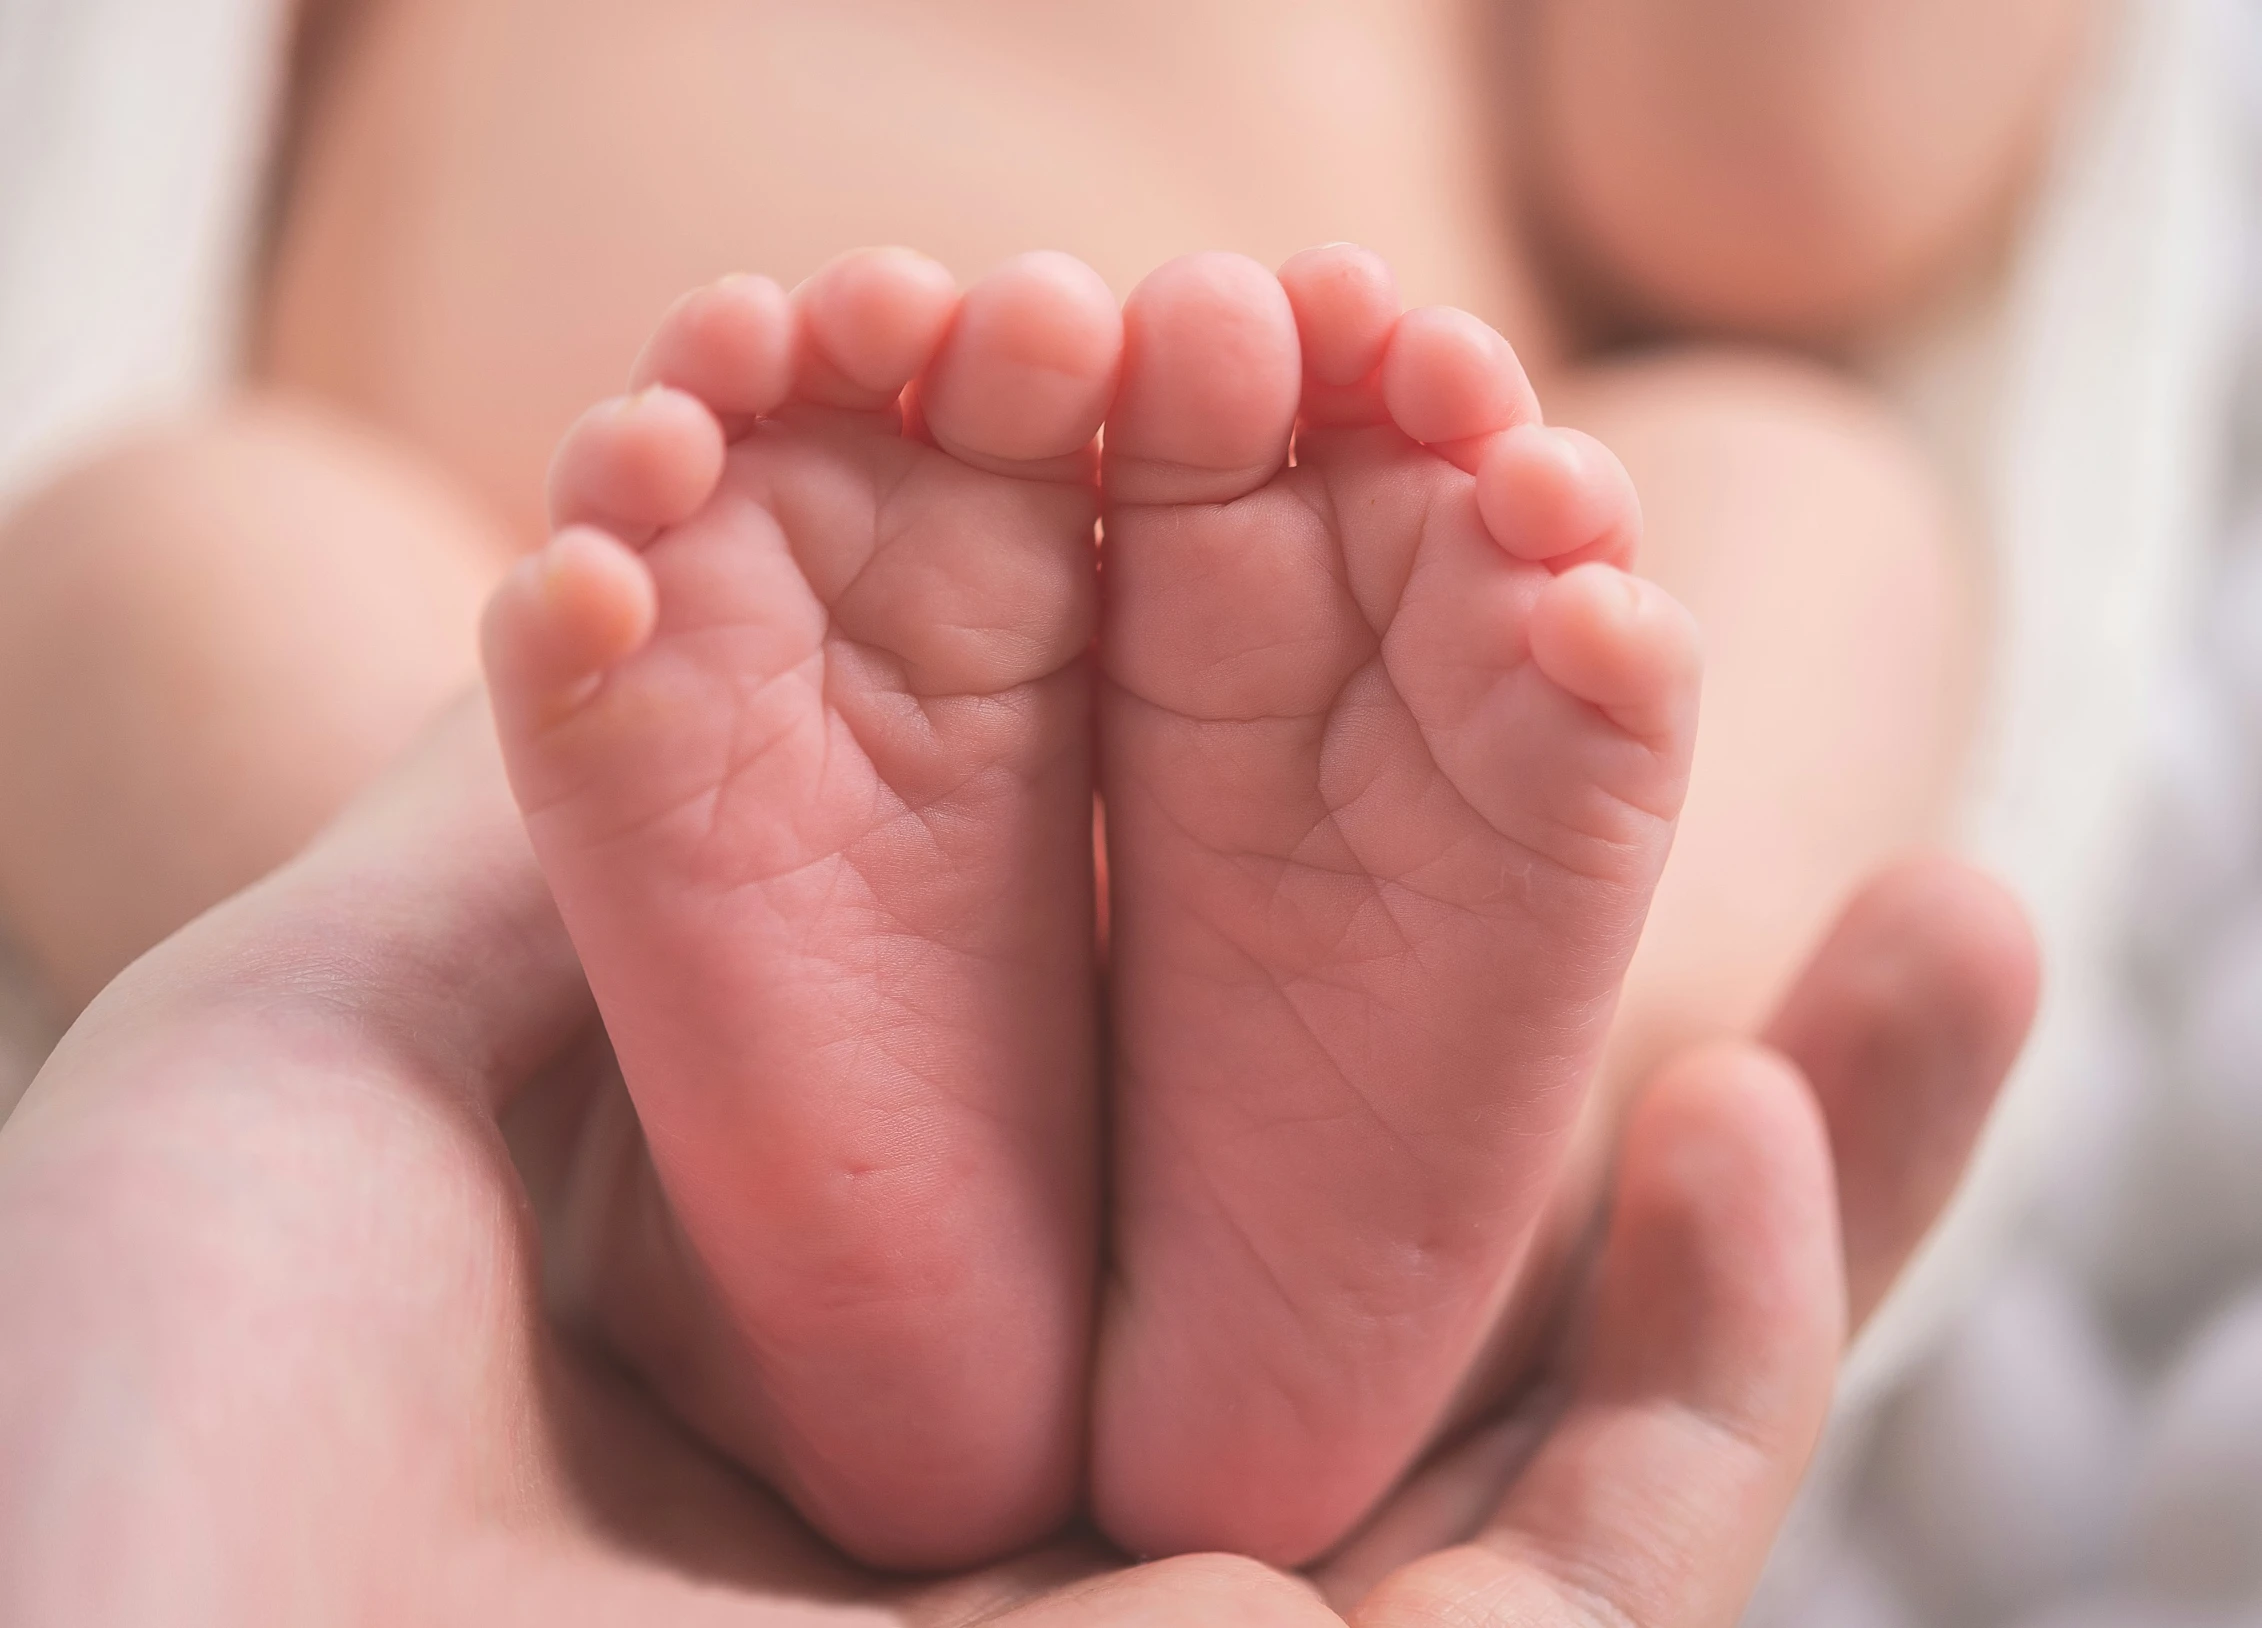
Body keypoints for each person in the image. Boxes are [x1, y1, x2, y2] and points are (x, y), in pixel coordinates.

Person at [0, 0, 2083, 1572]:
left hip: (1376, 687)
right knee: (151, 546)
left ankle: (1507, 1170)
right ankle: (639, 1162)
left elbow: (1770, 175)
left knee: (1808, 496)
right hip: (578, 733)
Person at [0, 698, 2037, 1625]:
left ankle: (670, 1190)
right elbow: (1776, 184)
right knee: (1788, 493)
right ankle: (1465, 1240)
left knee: (151, 549)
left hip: (725, 637)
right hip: (690, 716)